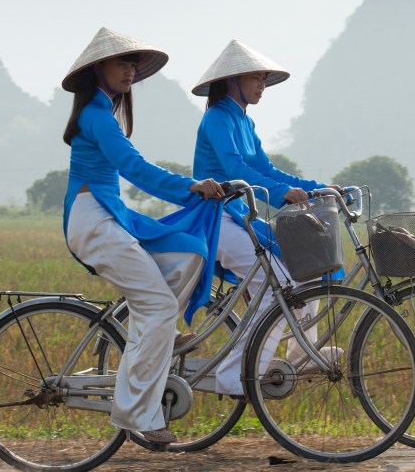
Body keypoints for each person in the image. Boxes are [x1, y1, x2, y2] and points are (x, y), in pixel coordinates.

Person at [62, 27, 225, 447]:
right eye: (122, 62)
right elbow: (132, 167)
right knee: (155, 302)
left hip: (109, 215)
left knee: (189, 248)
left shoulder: (104, 112)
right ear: (99, 67)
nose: (130, 71)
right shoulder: (97, 116)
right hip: (94, 220)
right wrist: (189, 186)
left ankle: (160, 331)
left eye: (133, 64)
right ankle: (138, 415)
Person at [191, 39, 340, 398]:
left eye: (262, 79)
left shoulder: (244, 121)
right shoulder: (217, 118)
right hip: (214, 217)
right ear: (231, 81)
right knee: (276, 288)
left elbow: (265, 169)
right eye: (255, 78)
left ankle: (302, 353)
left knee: (306, 267)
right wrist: (278, 193)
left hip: (239, 216)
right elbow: (235, 168)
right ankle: (233, 377)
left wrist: (318, 188)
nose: (261, 85)